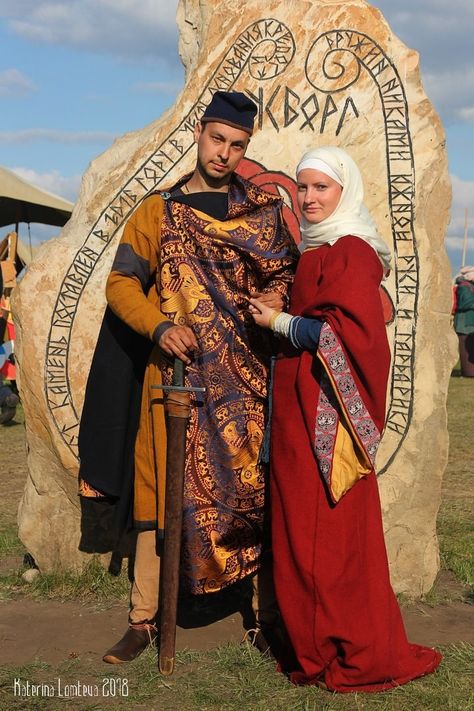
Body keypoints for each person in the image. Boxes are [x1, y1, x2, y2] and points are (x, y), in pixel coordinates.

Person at [78, 91, 298, 664]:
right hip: (171, 382)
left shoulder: (262, 215)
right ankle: (143, 619)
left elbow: (291, 279)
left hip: (243, 387)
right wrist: (156, 326)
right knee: (160, 495)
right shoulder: (158, 212)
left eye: (238, 145)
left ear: (246, 149)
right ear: (200, 135)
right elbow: (121, 283)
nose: (224, 153)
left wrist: (279, 294)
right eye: (217, 139)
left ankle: (263, 616)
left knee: (248, 498)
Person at [249, 146, 441, 692]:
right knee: (298, 540)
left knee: (324, 544)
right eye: (302, 188)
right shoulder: (314, 253)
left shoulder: (351, 251)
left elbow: (347, 338)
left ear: (344, 191)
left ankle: (343, 649)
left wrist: (281, 322)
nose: (308, 198)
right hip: (295, 417)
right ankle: (314, 649)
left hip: (325, 428)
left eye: (321, 188)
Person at [453, 266, 474, 377]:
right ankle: (468, 373)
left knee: (471, 347)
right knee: (466, 349)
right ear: (469, 275)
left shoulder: (470, 286)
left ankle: (471, 371)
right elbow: (464, 303)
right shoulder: (464, 287)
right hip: (464, 323)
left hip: (469, 322)